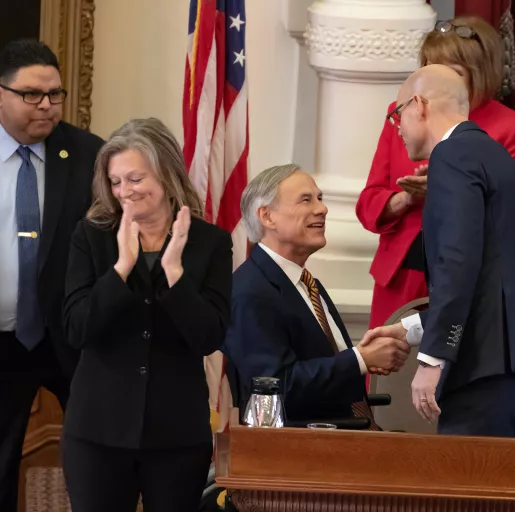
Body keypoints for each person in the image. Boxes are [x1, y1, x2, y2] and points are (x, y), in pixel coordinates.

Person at [363, 64, 515, 437]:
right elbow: (488, 279)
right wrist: (410, 330)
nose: (398, 128)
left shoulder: (452, 155)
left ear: (419, 105)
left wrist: (433, 359)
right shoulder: (492, 156)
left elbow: (457, 261)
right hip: (510, 366)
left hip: (485, 371)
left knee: (467, 494)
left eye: (397, 114)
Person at [61, 118, 232, 512]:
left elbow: (209, 336)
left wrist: (174, 272)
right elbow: (77, 327)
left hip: (177, 435)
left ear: (167, 173)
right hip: (97, 431)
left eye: (135, 179)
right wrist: (121, 268)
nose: (124, 192)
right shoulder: (91, 236)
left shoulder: (211, 243)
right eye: (116, 181)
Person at [356, 16, 515, 331]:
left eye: (451, 72)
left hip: (468, 278)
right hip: (401, 274)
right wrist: (406, 199)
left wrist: (447, 188)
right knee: (389, 372)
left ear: (482, 72)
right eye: (428, 70)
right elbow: (368, 205)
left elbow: (513, 218)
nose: (435, 83)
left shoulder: (514, 129)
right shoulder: (401, 112)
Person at [225, 165, 411, 428]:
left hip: (347, 440)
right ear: (267, 216)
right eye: (306, 200)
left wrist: (366, 354)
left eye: (320, 198)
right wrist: (361, 359)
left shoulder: (308, 284)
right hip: (297, 453)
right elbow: (276, 388)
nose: (322, 209)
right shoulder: (249, 291)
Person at [0, 39, 103, 511]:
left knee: (99, 459)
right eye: (32, 95)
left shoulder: (88, 155)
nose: (46, 105)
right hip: (2, 339)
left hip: (71, 335)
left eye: (55, 94)